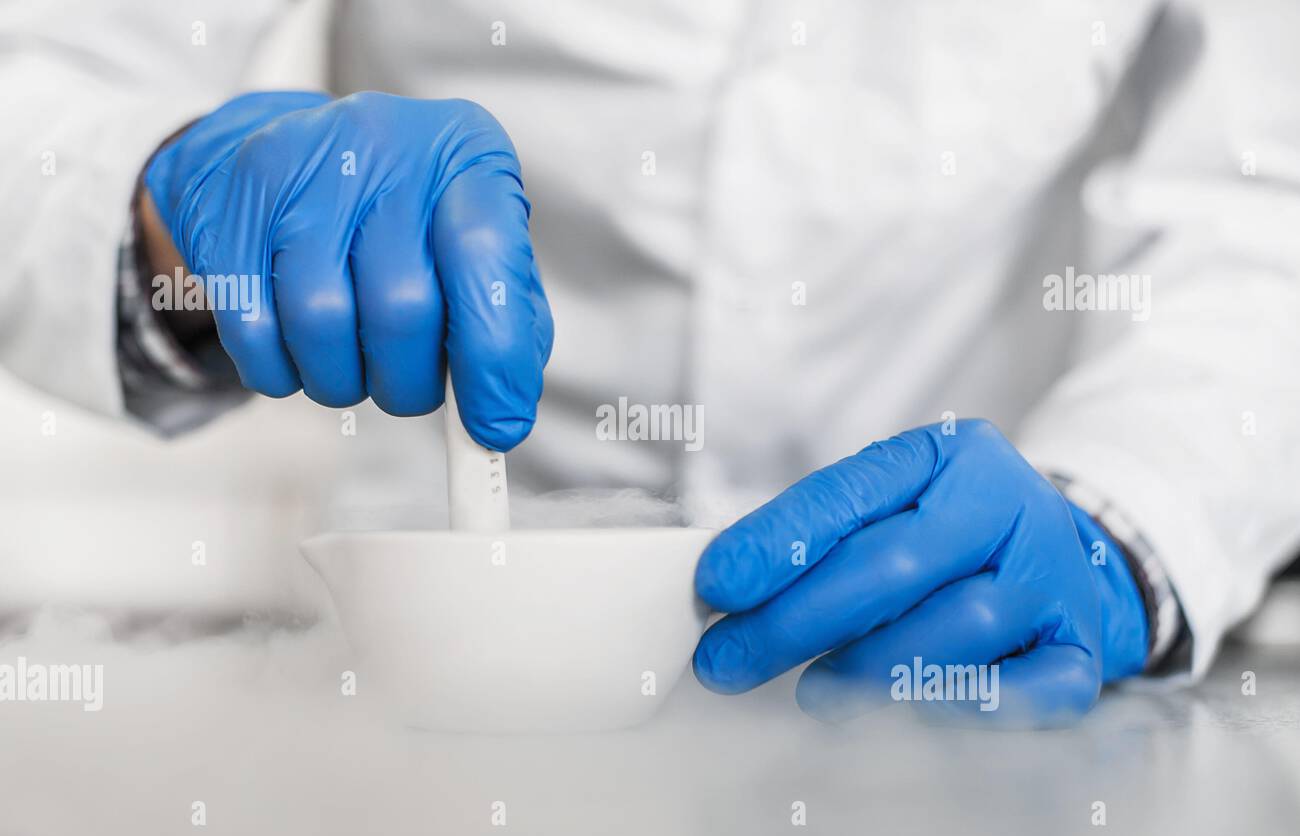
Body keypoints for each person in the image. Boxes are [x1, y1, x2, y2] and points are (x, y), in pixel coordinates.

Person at [3, 1, 1298, 725]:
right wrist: (169, 212)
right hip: (432, 667)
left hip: (985, 623)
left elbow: (1265, 203)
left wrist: (1126, 520)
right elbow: (42, 72)